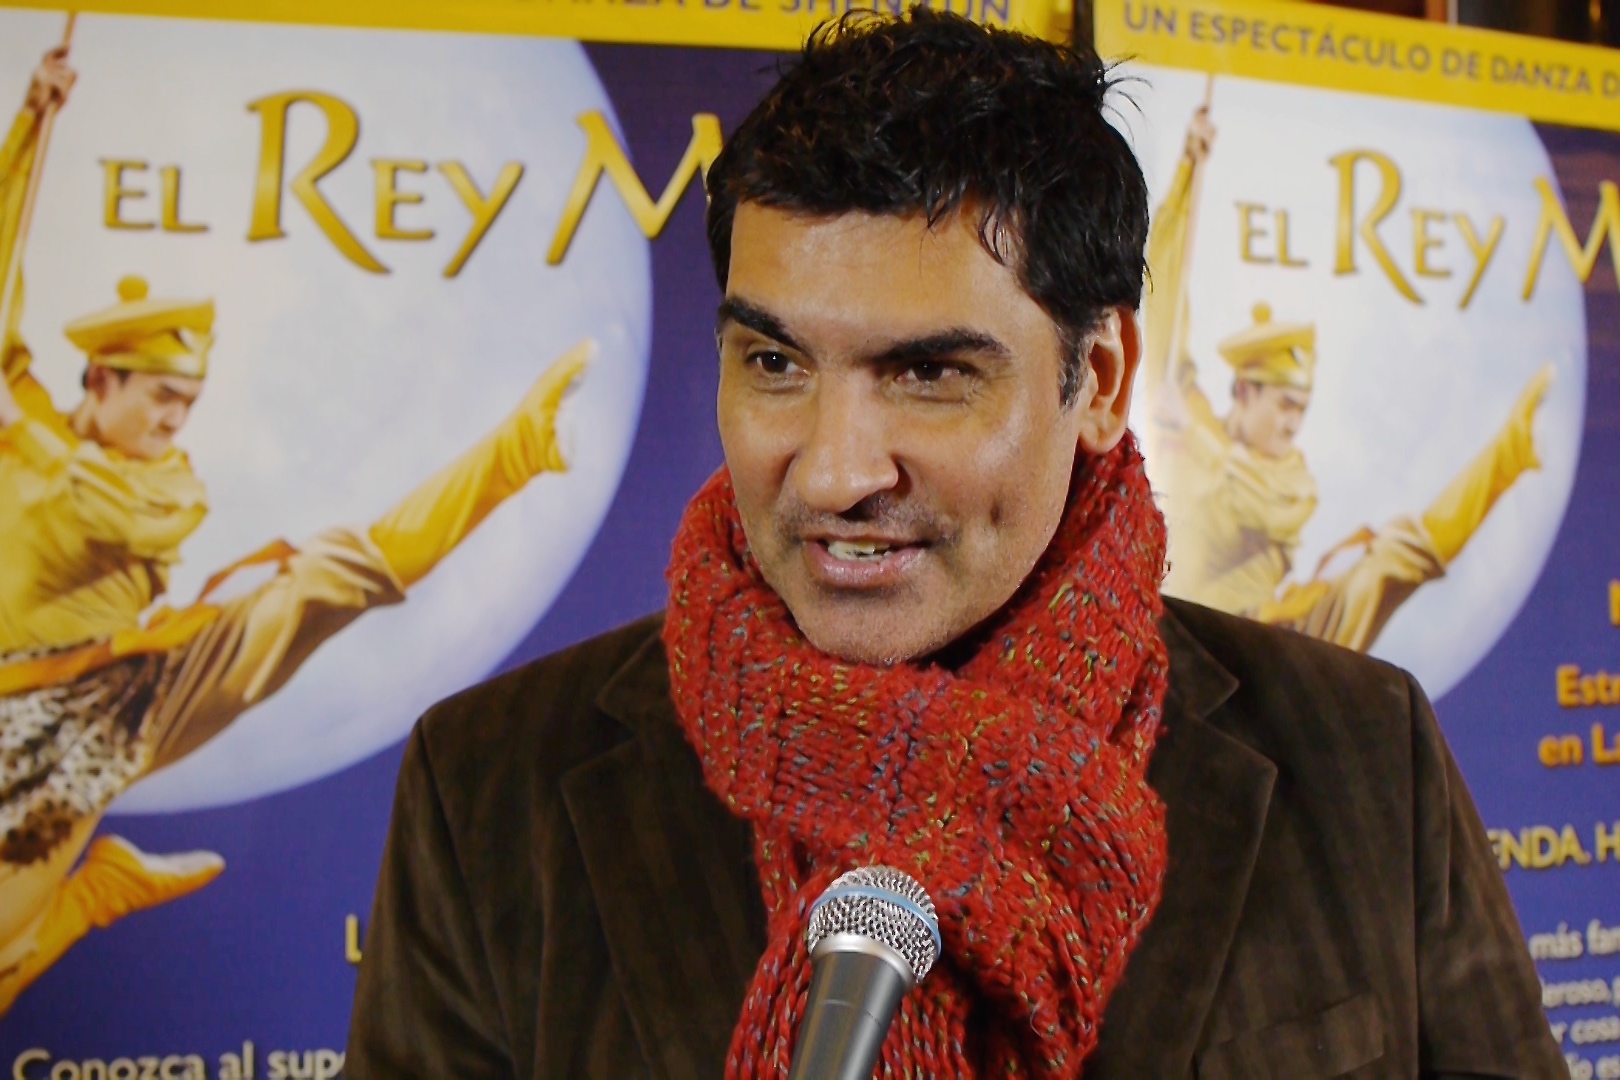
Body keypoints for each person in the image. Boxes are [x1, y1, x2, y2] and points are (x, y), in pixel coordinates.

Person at [347, 11, 1560, 1078]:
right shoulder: (494, 786)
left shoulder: (1361, 754)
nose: (836, 472)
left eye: (929, 374)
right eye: (774, 362)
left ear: (1099, 381)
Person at [0, 50, 591, 1013]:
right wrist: (30, 121)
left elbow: (107, 507)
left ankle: (516, 451)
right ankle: (97, 896)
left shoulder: (159, 490)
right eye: (161, 396)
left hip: (113, 702)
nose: (175, 420)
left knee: (327, 581)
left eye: (189, 402)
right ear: (100, 380)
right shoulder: (26, 425)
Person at [1142, 103, 1553, 652]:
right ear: (1244, 390)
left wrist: (1187, 435)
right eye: (1286, 404)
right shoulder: (1190, 419)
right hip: (1170, 647)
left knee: (1391, 559)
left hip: (1263, 651)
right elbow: (1164, 300)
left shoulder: (1288, 483)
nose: (1294, 423)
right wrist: (1188, 172)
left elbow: (1242, 500)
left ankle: (1508, 453)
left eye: (1302, 409)